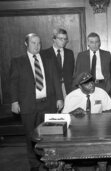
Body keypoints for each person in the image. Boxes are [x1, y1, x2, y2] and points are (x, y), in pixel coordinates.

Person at [10, 33, 63, 171]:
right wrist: (14, 101)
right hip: (28, 105)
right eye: (33, 43)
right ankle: (34, 165)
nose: (37, 46)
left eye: (39, 43)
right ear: (26, 44)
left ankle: (50, 163)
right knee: (30, 136)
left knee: (49, 135)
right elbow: (13, 83)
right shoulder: (17, 61)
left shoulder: (49, 59)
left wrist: (59, 97)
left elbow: (56, 79)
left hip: (48, 103)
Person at [43, 28, 75, 97]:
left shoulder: (70, 53)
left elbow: (71, 72)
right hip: (52, 90)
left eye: (65, 39)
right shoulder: (45, 54)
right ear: (54, 39)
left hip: (67, 89)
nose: (63, 41)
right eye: (61, 39)